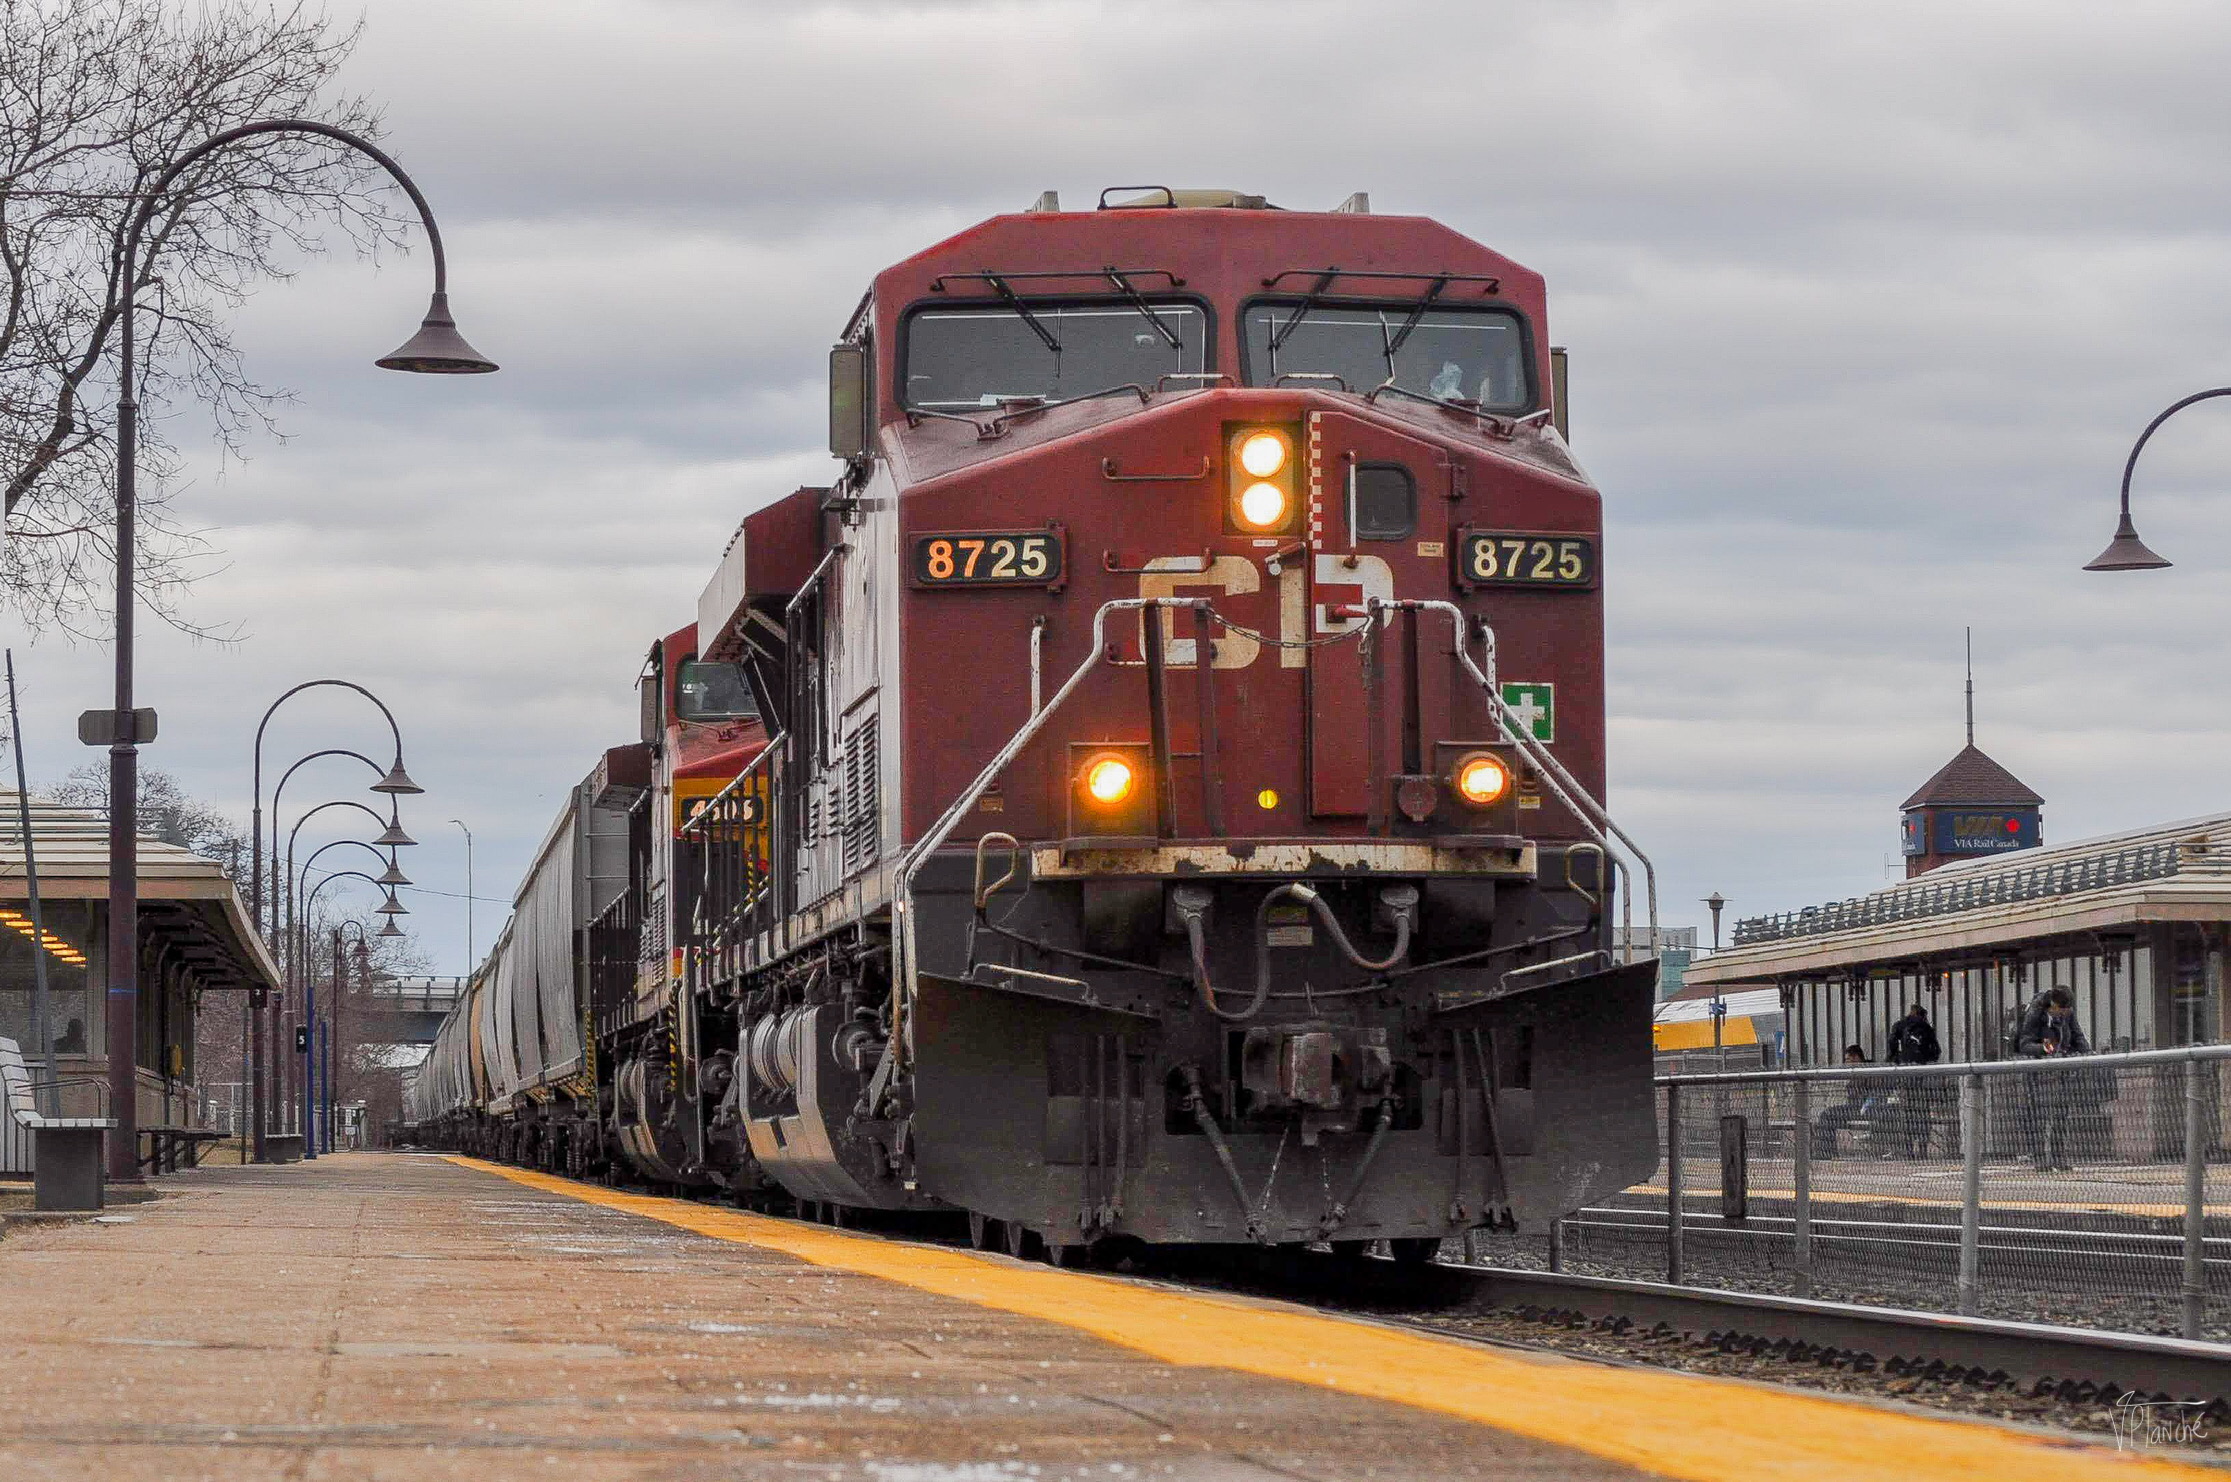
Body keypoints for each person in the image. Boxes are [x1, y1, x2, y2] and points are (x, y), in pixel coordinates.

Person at [2016, 987, 2092, 1171]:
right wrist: (2043, 1049)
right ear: (2054, 1006)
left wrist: (2087, 1054)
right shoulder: (2036, 1013)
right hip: (2038, 1072)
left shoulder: (2067, 1014)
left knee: (2061, 1115)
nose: (2065, 1014)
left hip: (2061, 1070)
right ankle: (2040, 1157)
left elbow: (2077, 1034)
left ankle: (2058, 1156)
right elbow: (2024, 1043)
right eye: (2062, 1010)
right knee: (2037, 1116)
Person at [1887, 1003, 1942, 1157]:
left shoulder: (1900, 1025)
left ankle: (1909, 1148)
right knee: (1923, 1112)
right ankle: (1923, 1148)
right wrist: (1926, 1060)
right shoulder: (1926, 1028)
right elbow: (1936, 1050)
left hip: (1906, 1075)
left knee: (1907, 1112)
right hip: (1923, 1076)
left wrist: (1896, 1058)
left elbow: (1891, 1043)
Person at [1810, 1044, 1877, 1158]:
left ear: (1856, 1058)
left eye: (1848, 1060)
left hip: (1861, 1109)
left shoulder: (1868, 1072)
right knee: (1827, 1117)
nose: (1846, 1063)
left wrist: (1865, 1106)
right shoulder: (1856, 1072)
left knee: (1826, 1115)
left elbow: (1874, 1093)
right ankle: (1827, 1152)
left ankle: (1826, 1153)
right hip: (1852, 1108)